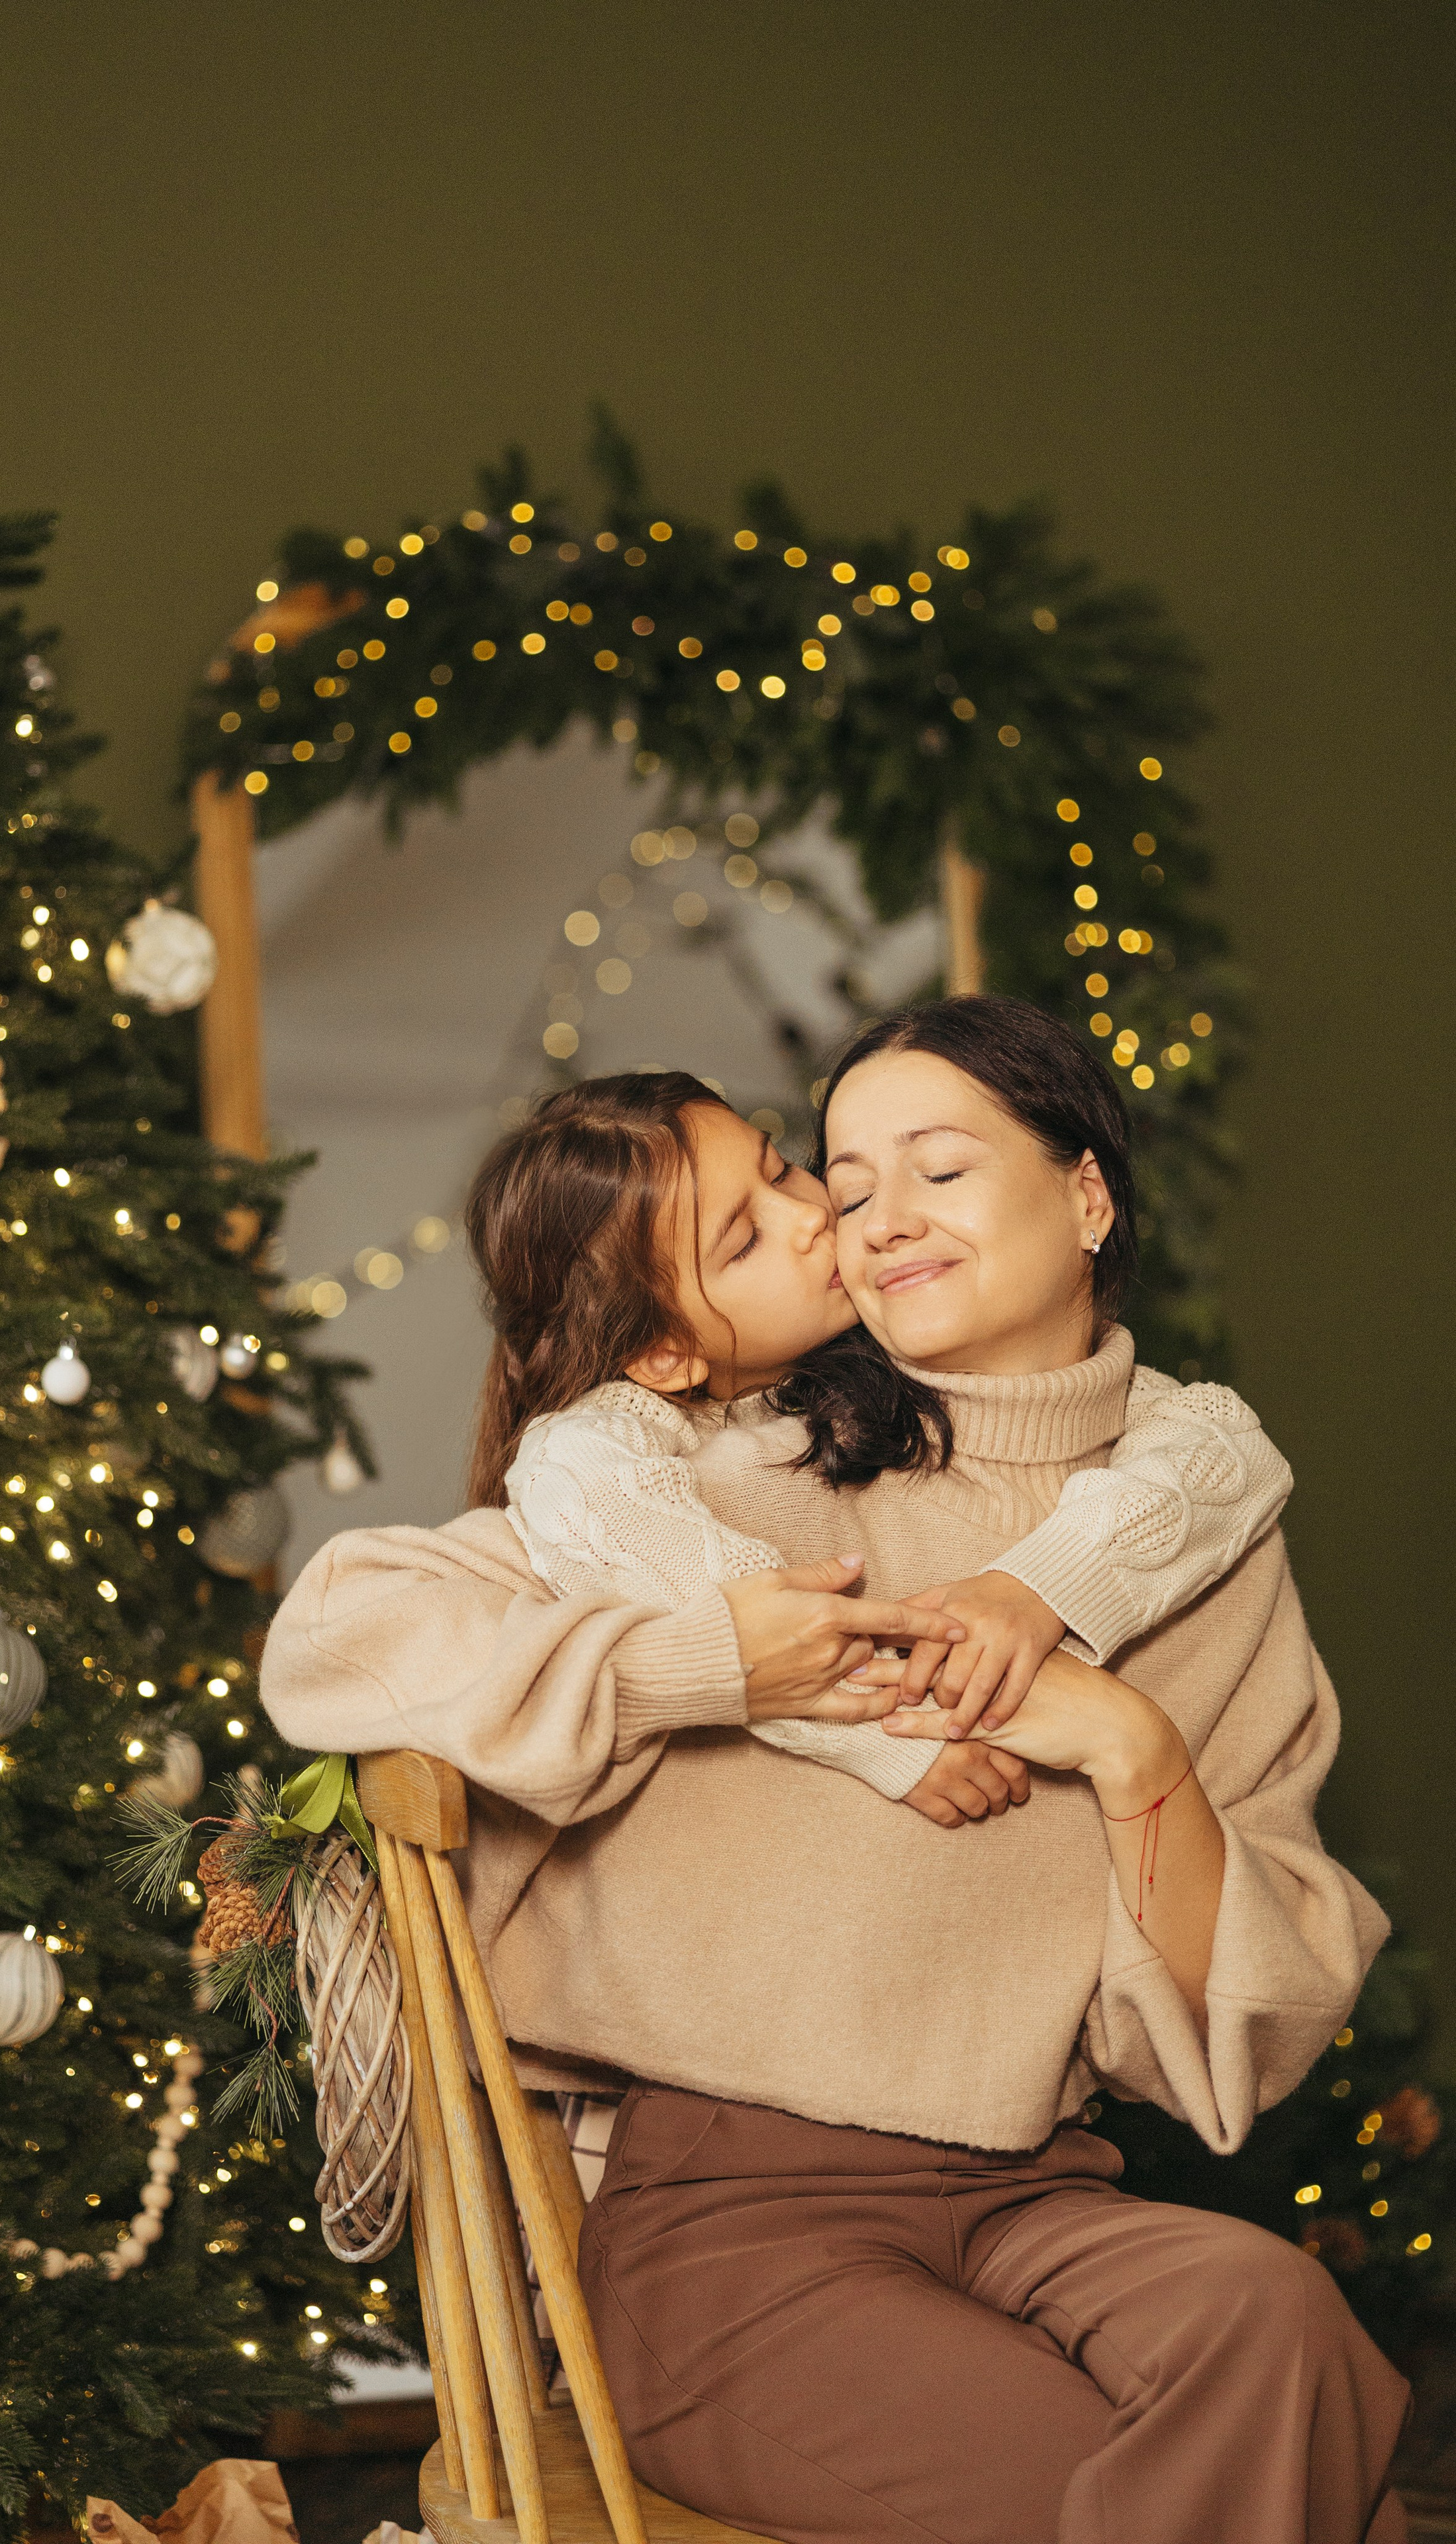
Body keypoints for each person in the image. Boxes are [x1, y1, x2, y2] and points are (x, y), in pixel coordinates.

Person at [262, 997, 1406, 2543]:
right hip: (733, 2229)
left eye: (930, 1167)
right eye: (846, 1180)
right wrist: (723, 1661)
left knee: (1282, 2333)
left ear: (1085, 1193)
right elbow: (341, 1629)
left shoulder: (1199, 1536)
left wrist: (1125, 1744)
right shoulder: (718, 1480)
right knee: (1106, 2491)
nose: (869, 1220)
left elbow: (1244, 2025)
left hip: (1033, 2188)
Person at [474, 1067, 1292, 1823]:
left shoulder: (912, 1348)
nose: (809, 1215)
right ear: (661, 1355)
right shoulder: (616, 1448)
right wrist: (880, 1723)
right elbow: (584, 1490)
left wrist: (1039, 1588)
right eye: (743, 1240)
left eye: (782, 1168)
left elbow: (1224, 1448)